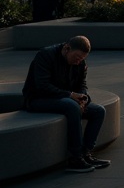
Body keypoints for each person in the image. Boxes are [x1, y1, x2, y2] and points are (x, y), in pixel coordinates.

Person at [22, 35, 110, 172]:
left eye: (82, 59)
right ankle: (76, 157)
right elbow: (42, 86)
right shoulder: (45, 55)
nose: (78, 61)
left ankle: (86, 153)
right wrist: (70, 95)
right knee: (71, 106)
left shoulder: (80, 63)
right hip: (38, 99)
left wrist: (83, 98)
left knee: (99, 111)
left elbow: (82, 84)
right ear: (66, 48)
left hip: (66, 99)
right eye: (76, 57)